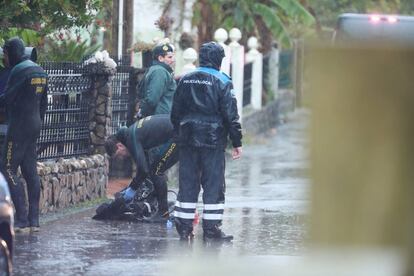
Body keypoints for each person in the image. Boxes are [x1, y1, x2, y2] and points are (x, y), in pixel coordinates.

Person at [171, 42, 242, 242]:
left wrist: (179, 135)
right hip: (213, 141)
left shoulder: (185, 79)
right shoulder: (223, 81)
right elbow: (231, 115)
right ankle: (211, 230)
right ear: (219, 60)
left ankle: (184, 229)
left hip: (187, 139)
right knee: (213, 185)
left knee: (188, 184)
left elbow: (175, 112)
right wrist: (236, 141)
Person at [0, 37, 48, 232]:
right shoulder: (40, 70)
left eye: (5, 54)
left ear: (11, 52)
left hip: (18, 126)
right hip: (34, 125)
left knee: (8, 169)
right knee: (30, 172)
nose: (4, 58)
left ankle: (21, 218)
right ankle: (34, 220)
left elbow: (7, 98)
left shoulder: (19, 70)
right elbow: (44, 103)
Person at [104, 114, 178, 222]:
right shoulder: (132, 133)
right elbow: (145, 167)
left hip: (179, 134)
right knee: (155, 169)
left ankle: (163, 213)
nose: (121, 158)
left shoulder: (131, 137)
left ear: (119, 146)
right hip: (179, 131)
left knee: (157, 170)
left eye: (118, 155)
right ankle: (162, 209)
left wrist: (132, 189)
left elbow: (143, 170)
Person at [137, 42, 176, 118]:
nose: (173, 60)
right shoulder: (160, 72)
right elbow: (152, 100)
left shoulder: (155, 69)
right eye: (170, 57)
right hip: (159, 118)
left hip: (157, 117)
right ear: (160, 58)